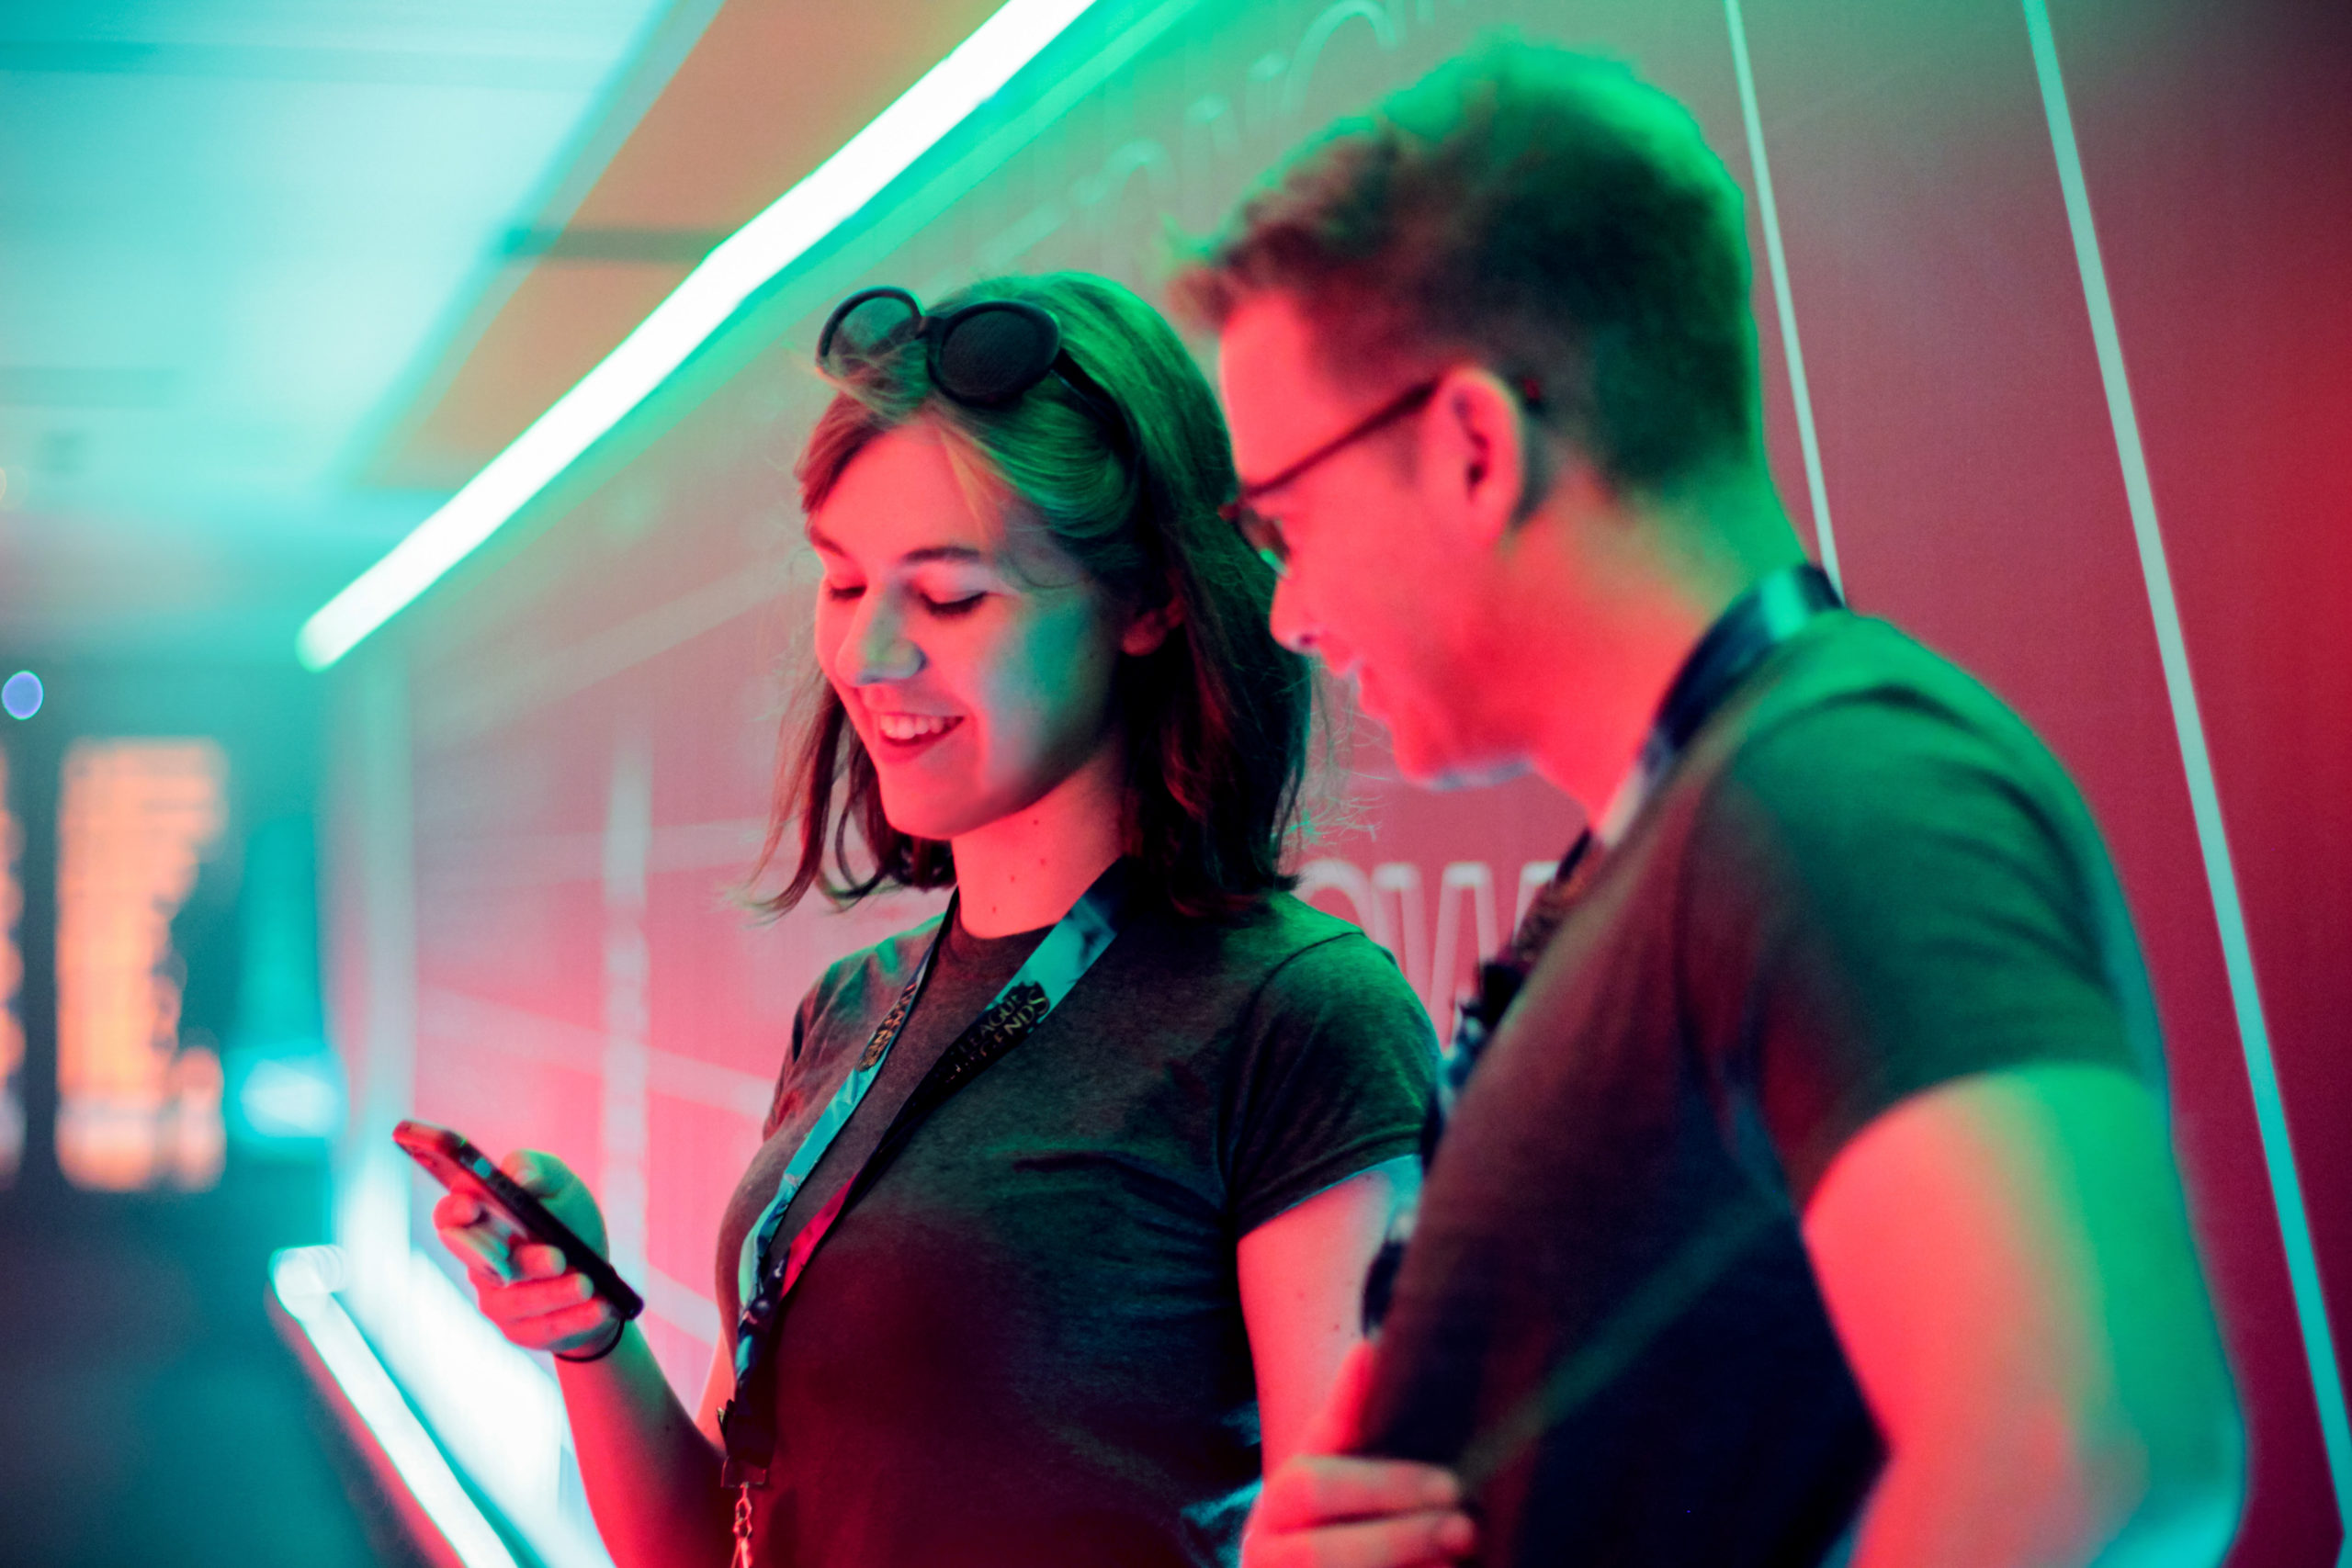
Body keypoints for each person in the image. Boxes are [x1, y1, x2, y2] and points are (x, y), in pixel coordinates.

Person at [1176, 40, 2244, 1568]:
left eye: (1284, 519)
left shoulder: (1839, 792)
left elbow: (2100, 1459)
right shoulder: (1692, 836)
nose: (1286, 612)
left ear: (1474, 447)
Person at [433, 272, 1437, 1568]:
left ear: (1151, 603)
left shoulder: (1298, 1014)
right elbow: (704, 1545)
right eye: (845, 587)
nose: (870, 656)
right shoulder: (853, 1007)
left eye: (950, 597)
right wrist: (591, 1336)